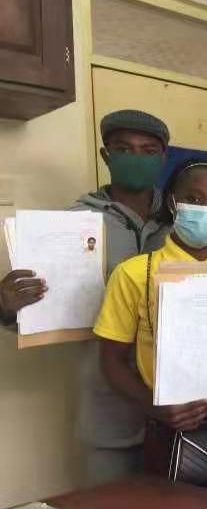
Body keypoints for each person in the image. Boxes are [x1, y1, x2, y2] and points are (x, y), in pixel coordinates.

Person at [0, 109, 171, 485]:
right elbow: (41, 315)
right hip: (107, 410)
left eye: (147, 150)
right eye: (123, 149)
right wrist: (7, 308)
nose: (136, 158)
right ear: (106, 155)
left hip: (178, 408)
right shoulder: (73, 224)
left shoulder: (181, 221)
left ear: (163, 158)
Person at [93, 159, 207, 498]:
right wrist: (154, 408)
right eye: (194, 198)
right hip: (172, 420)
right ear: (173, 202)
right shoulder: (135, 273)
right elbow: (111, 362)